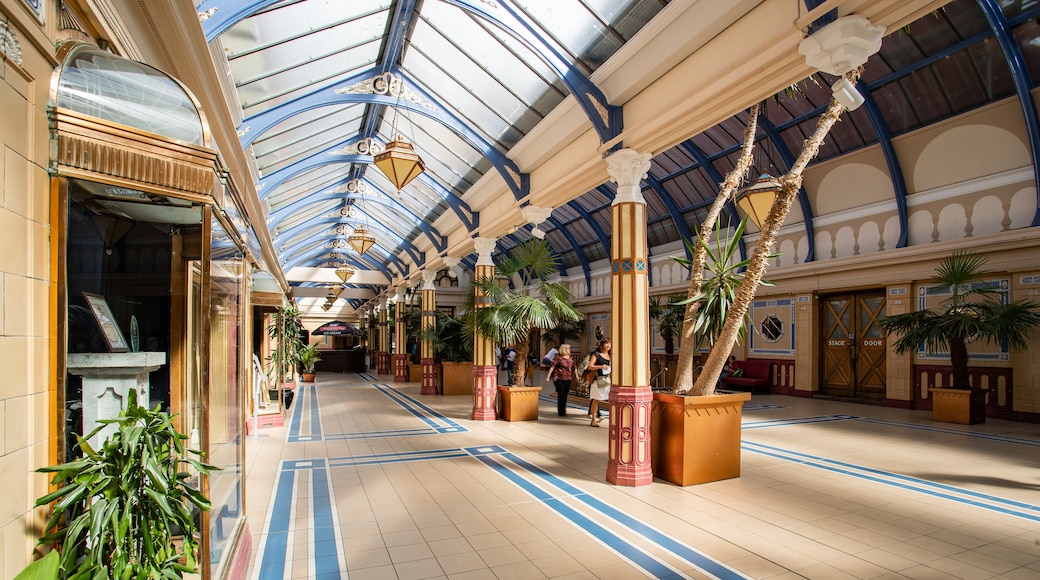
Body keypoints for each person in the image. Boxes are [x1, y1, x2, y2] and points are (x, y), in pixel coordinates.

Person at [587, 338, 611, 426]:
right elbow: (590, 366)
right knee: (596, 399)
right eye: (607, 343)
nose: (608, 345)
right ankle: (593, 418)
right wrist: (600, 366)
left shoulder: (611, 355)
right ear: (602, 345)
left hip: (608, 380)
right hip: (598, 381)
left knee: (611, 399)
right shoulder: (596, 354)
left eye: (610, 344)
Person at [545, 344, 575, 416]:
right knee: (561, 393)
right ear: (564, 349)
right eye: (568, 348)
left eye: (569, 348)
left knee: (565, 394)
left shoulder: (571, 358)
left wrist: (576, 376)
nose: (569, 350)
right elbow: (552, 367)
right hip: (558, 378)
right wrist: (548, 377)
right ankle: (561, 411)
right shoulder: (558, 357)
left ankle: (563, 408)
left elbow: (574, 367)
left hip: (568, 378)